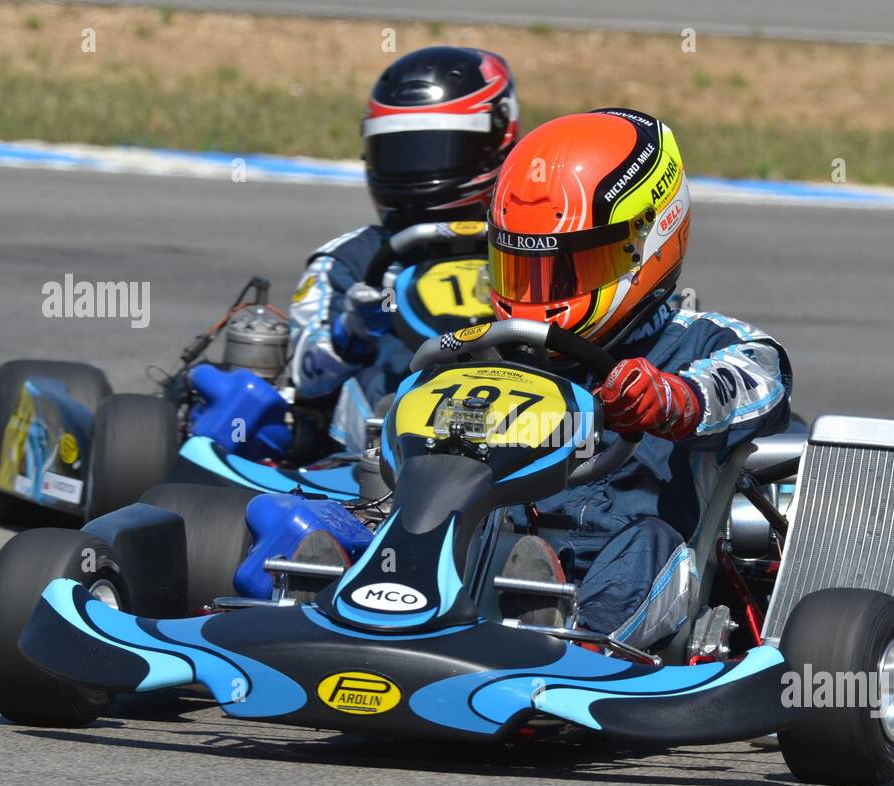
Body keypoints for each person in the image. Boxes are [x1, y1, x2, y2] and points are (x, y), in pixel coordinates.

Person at [487, 108, 793, 649]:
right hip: (512, 548)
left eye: (567, 269)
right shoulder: (495, 348)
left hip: (639, 561)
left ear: (649, 240)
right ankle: (364, 607)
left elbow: (763, 377)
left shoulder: (701, 341)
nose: (538, 294)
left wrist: (674, 399)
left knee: (647, 543)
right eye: (523, 270)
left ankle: (572, 650)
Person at [288, 46, 519, 452]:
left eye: (435, 150)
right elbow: (306, 377)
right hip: (371, 454)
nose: (415, 171)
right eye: (400, 153)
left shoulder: (533, 248)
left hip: (522, 423)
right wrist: (351, 333)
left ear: (499, 137)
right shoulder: (350, 259)